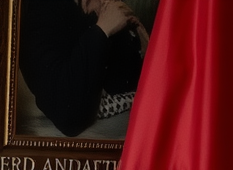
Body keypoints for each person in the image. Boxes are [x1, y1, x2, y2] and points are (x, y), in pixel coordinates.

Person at [18, 0, 149, 138]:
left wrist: (140, 38)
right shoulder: (41, 14)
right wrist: (102, 30)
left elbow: (129, 83)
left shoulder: (93, 9)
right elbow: (68, 117)